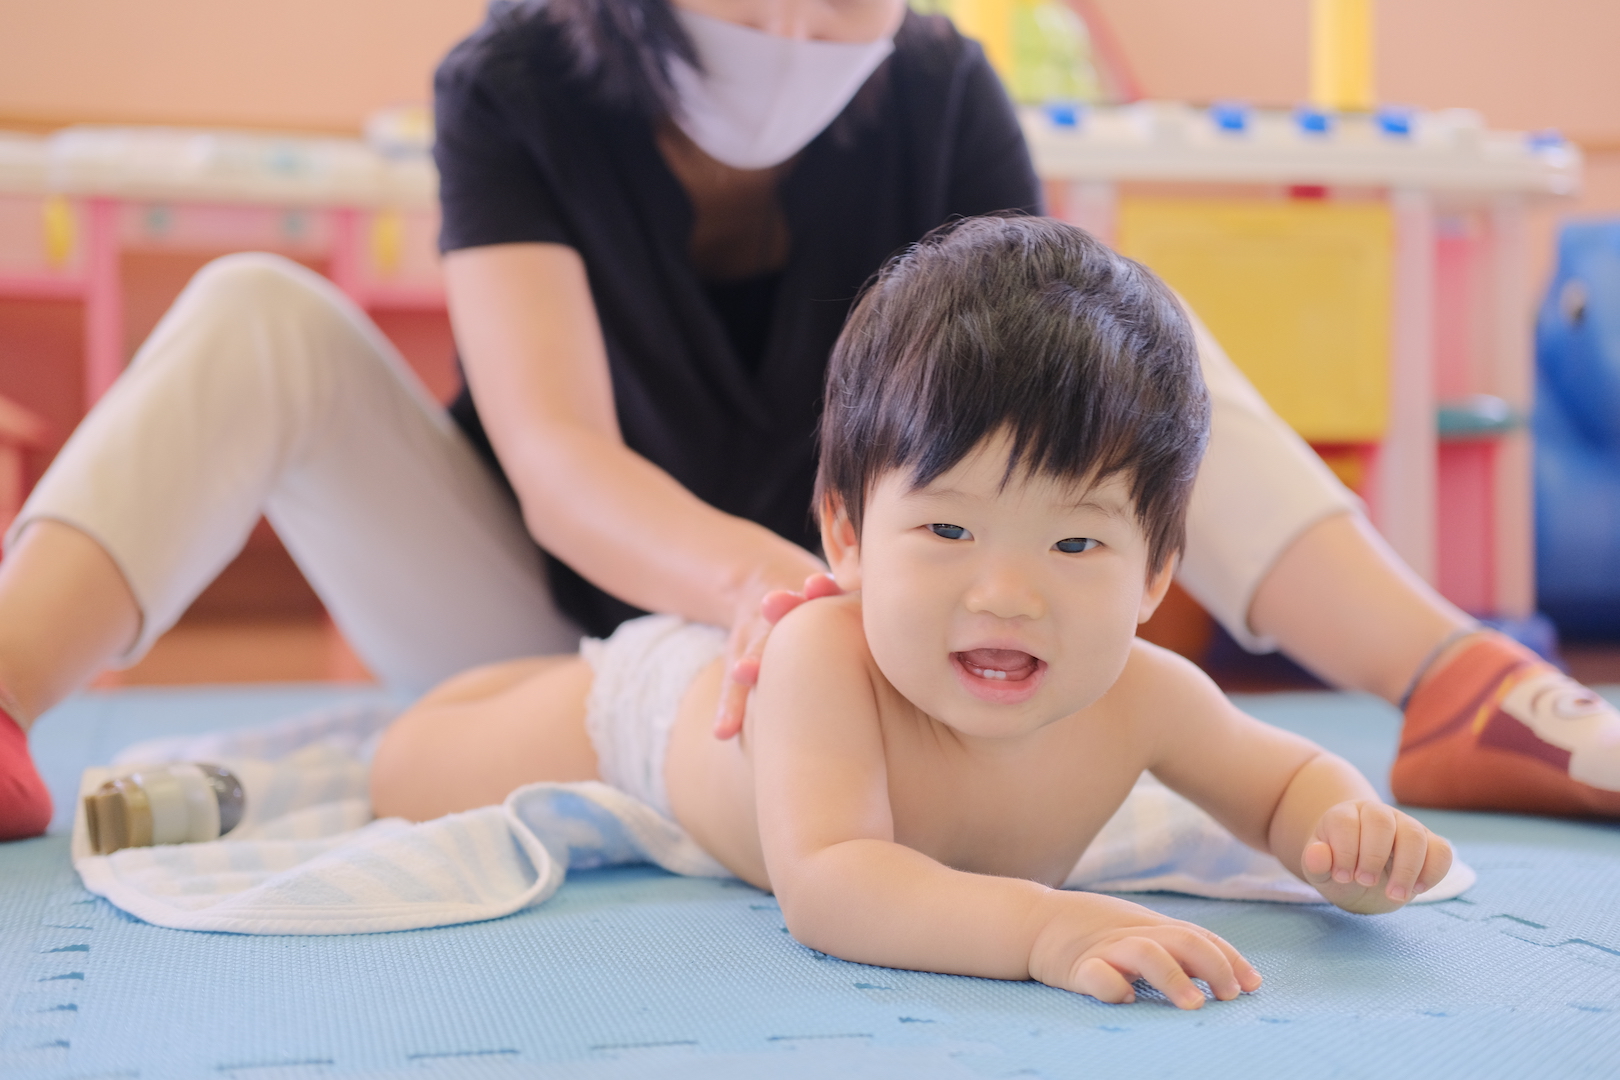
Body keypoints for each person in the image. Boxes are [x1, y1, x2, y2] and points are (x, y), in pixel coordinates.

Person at [1, 0, 1616, 841]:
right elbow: (557, 462)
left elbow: (1052, 407)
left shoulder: (939, 94)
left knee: (1129, 325)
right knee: (252, 315)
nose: (792, 35)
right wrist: (769, 599)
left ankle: (1455, 682)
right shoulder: (513, 84)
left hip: (868, 656)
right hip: (524, 630)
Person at [368, 217, 1455, 1008]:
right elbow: (835, 884)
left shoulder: (1149, 696)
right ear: (844, 537)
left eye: (1076, 544)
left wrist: (1344, 841)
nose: (1007, 595)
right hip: (649, 721)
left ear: (1158, 574)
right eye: (946, 533)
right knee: (406, 766)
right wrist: (1042, 927)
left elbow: (1284, 786)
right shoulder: (820, 660)